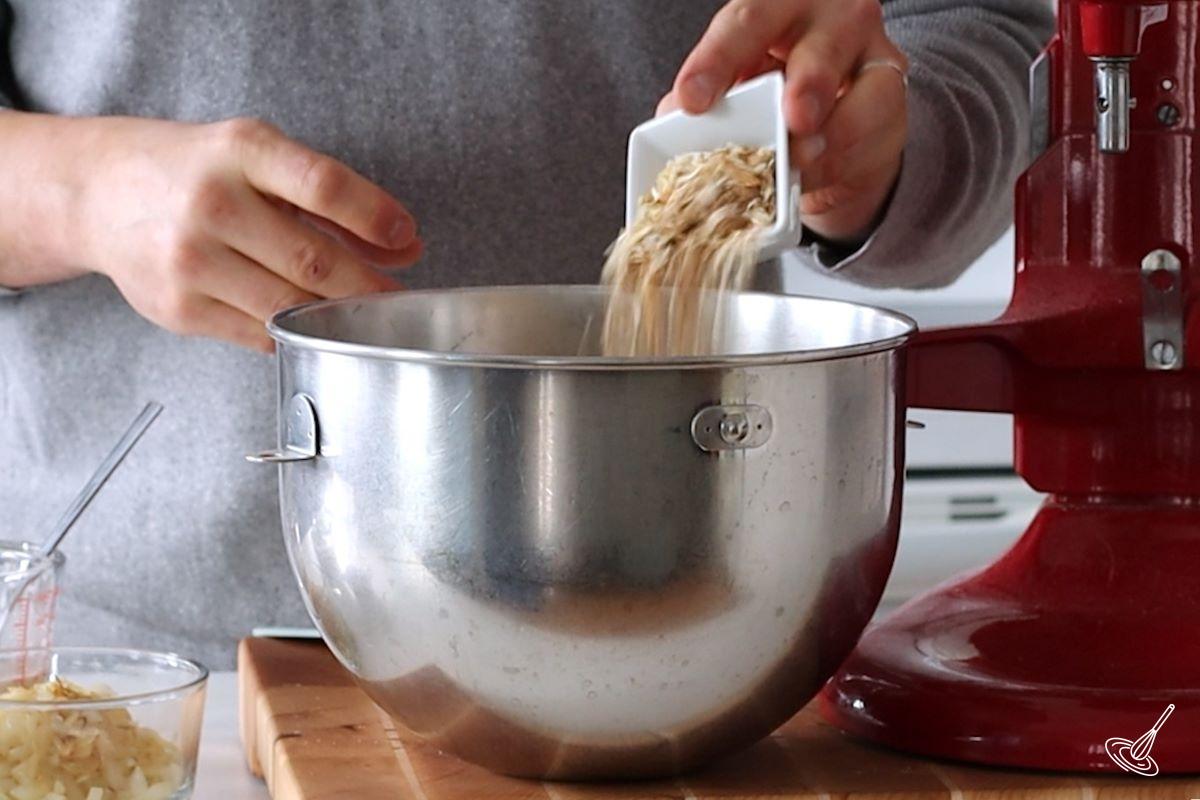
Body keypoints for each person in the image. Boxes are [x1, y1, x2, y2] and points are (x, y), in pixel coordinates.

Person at [0, 0, 1054, 669]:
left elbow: (992, 33)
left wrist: (886, 137)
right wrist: (76, 190)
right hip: (129, 674)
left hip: (687, 643)